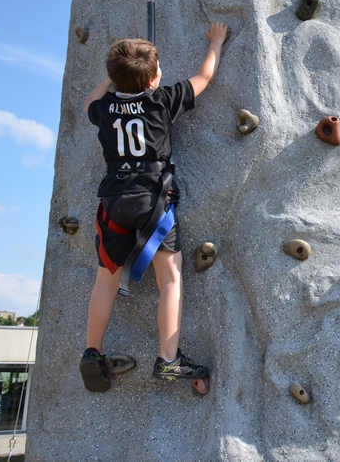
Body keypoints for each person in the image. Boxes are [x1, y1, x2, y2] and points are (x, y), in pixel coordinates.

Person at [78, 22, 229, 392]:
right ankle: (168, 359)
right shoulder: (161, 101)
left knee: (106, 278)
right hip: (154, 202)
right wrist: (216, 42)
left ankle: (92, 352)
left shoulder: (105, 107)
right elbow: (204, 77)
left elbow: (88, 103)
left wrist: (112, 80)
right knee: (170, 279)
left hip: (114, 202)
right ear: (152, 80)